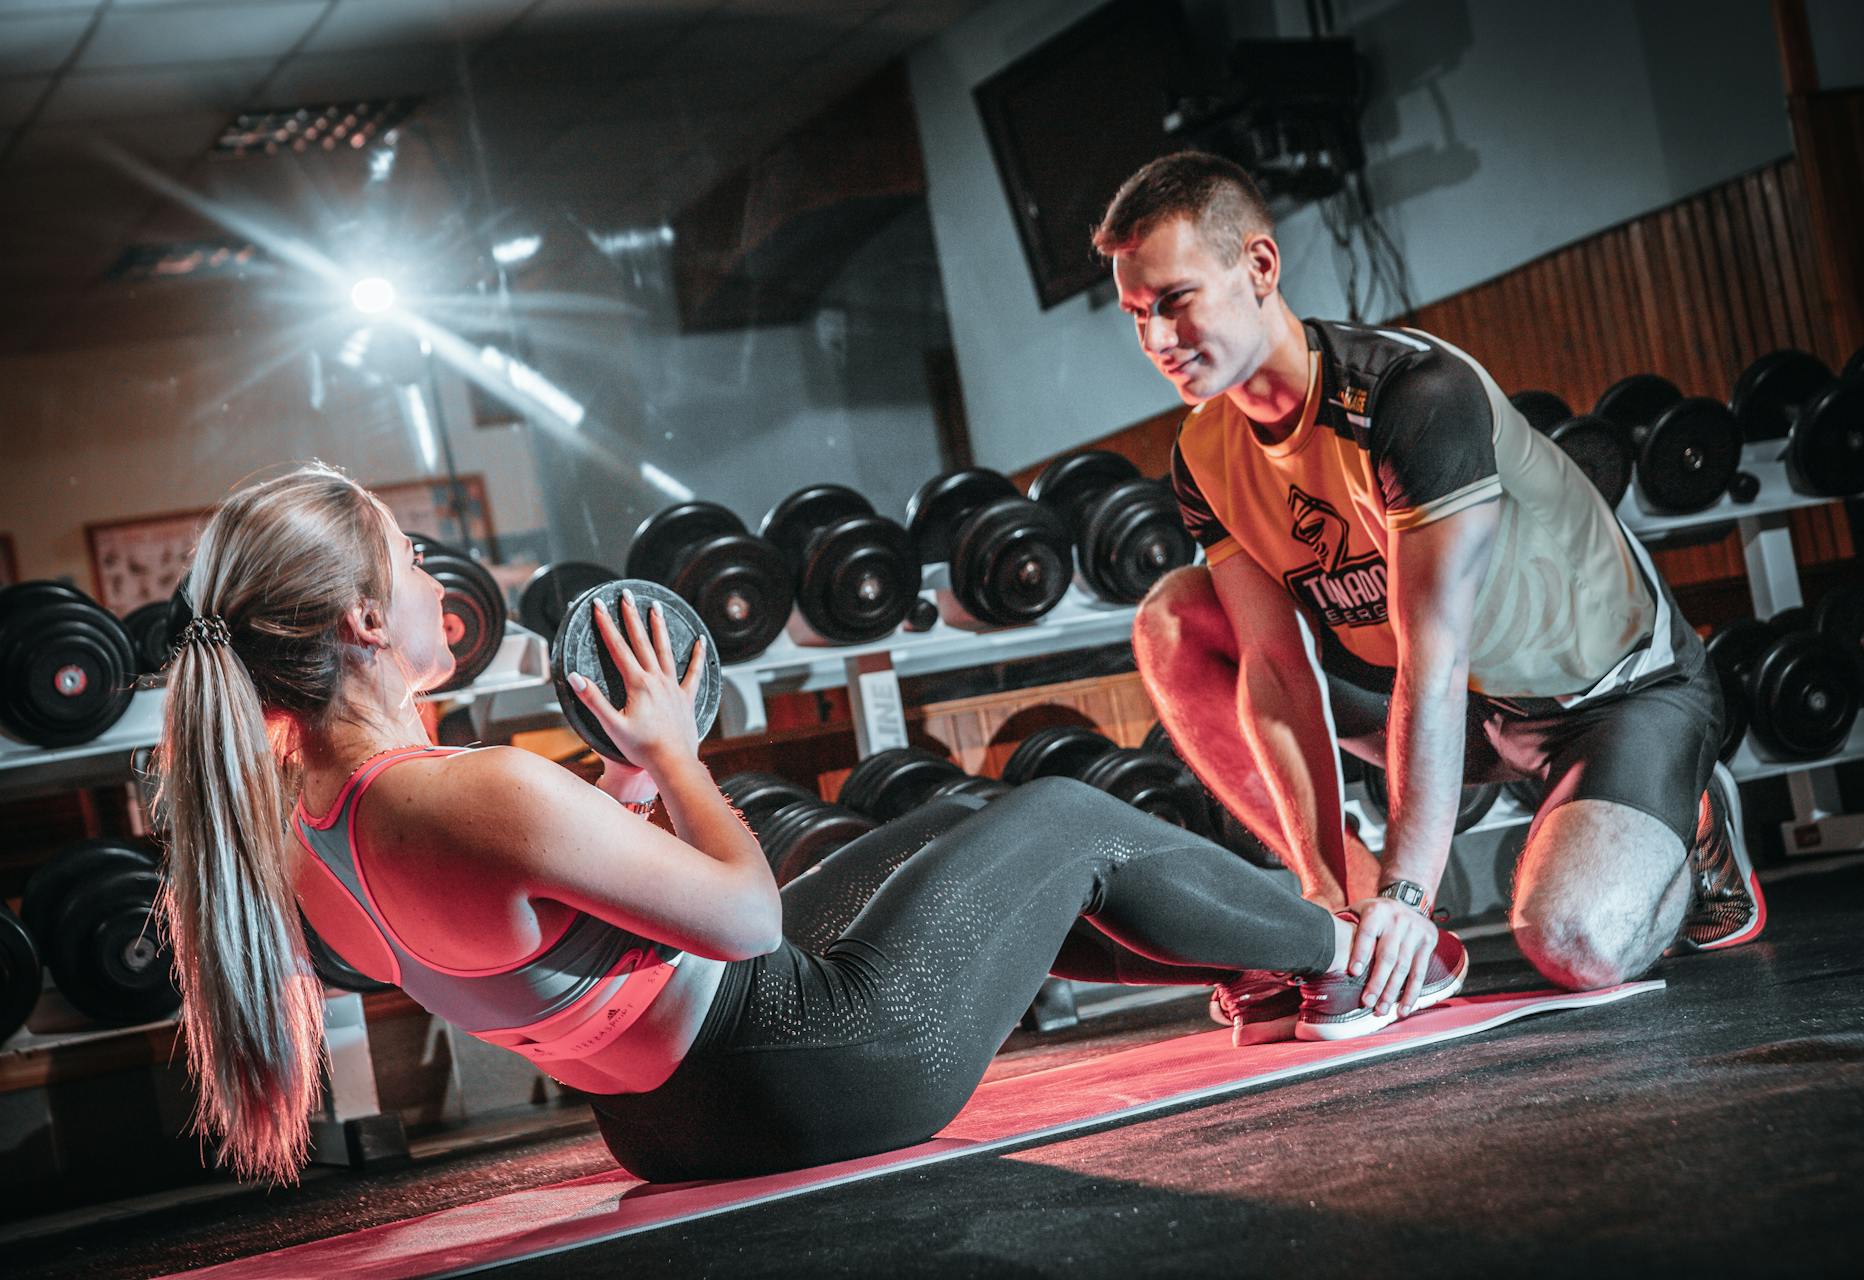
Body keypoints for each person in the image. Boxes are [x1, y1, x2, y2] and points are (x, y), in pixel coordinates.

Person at [150, 461, 1442, 1188]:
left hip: (665, 1123)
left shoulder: (294, 831)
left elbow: (544, 940)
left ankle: (1259, 960)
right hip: (812, 1066)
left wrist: (625, 792)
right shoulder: (471, 789)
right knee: (1061, 815)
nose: (440, 582)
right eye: (411, 562)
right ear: (364, 627)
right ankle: (1359, 959)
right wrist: (669, 749)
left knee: (954, 832)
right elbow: (749, 913)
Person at [1090, 152, 1764, 1045]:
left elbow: (1435, 660)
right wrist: (1329, 904)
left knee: (1574, 943)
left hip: (1605, 701)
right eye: (1138, 316)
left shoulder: (1413, 397)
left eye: (1175, 301)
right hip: (1444, 702)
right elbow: (1278, 674)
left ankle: (1687, 812)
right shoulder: (1205, 452)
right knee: (1177, 620)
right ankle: (1353, 902)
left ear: (1258, 267)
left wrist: (1410, 896)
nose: (1158, 341)